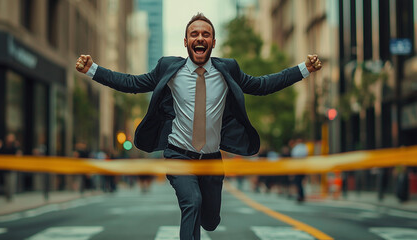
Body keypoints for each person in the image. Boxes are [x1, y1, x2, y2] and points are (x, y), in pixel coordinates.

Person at [75, 13, 322, 240]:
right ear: (185, 42)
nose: (200, 38)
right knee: (191, 202)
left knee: (210, 221)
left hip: (212, 160)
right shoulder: (168, 69)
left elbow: (263, 85)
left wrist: (304, 69)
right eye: (194, 34)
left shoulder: (228, 70)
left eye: (206, 34)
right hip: (178, 155)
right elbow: (131, 83)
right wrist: (92, 70)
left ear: (213, 43)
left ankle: (208, 219)